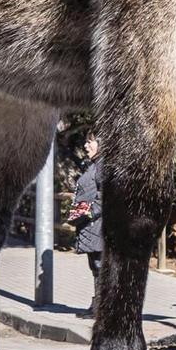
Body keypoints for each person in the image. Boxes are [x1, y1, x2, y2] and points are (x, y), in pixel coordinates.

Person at [67, 132, 104, 322]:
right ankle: (98, 305)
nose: (86, 145)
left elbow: (105, 197)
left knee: (100, 265)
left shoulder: (103, 165)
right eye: (86, 141)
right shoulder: (95, 165)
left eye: (90, 141)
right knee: (96, 266)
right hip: (91, 225)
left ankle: (101, 308)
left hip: (98, 225)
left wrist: (87, 212)